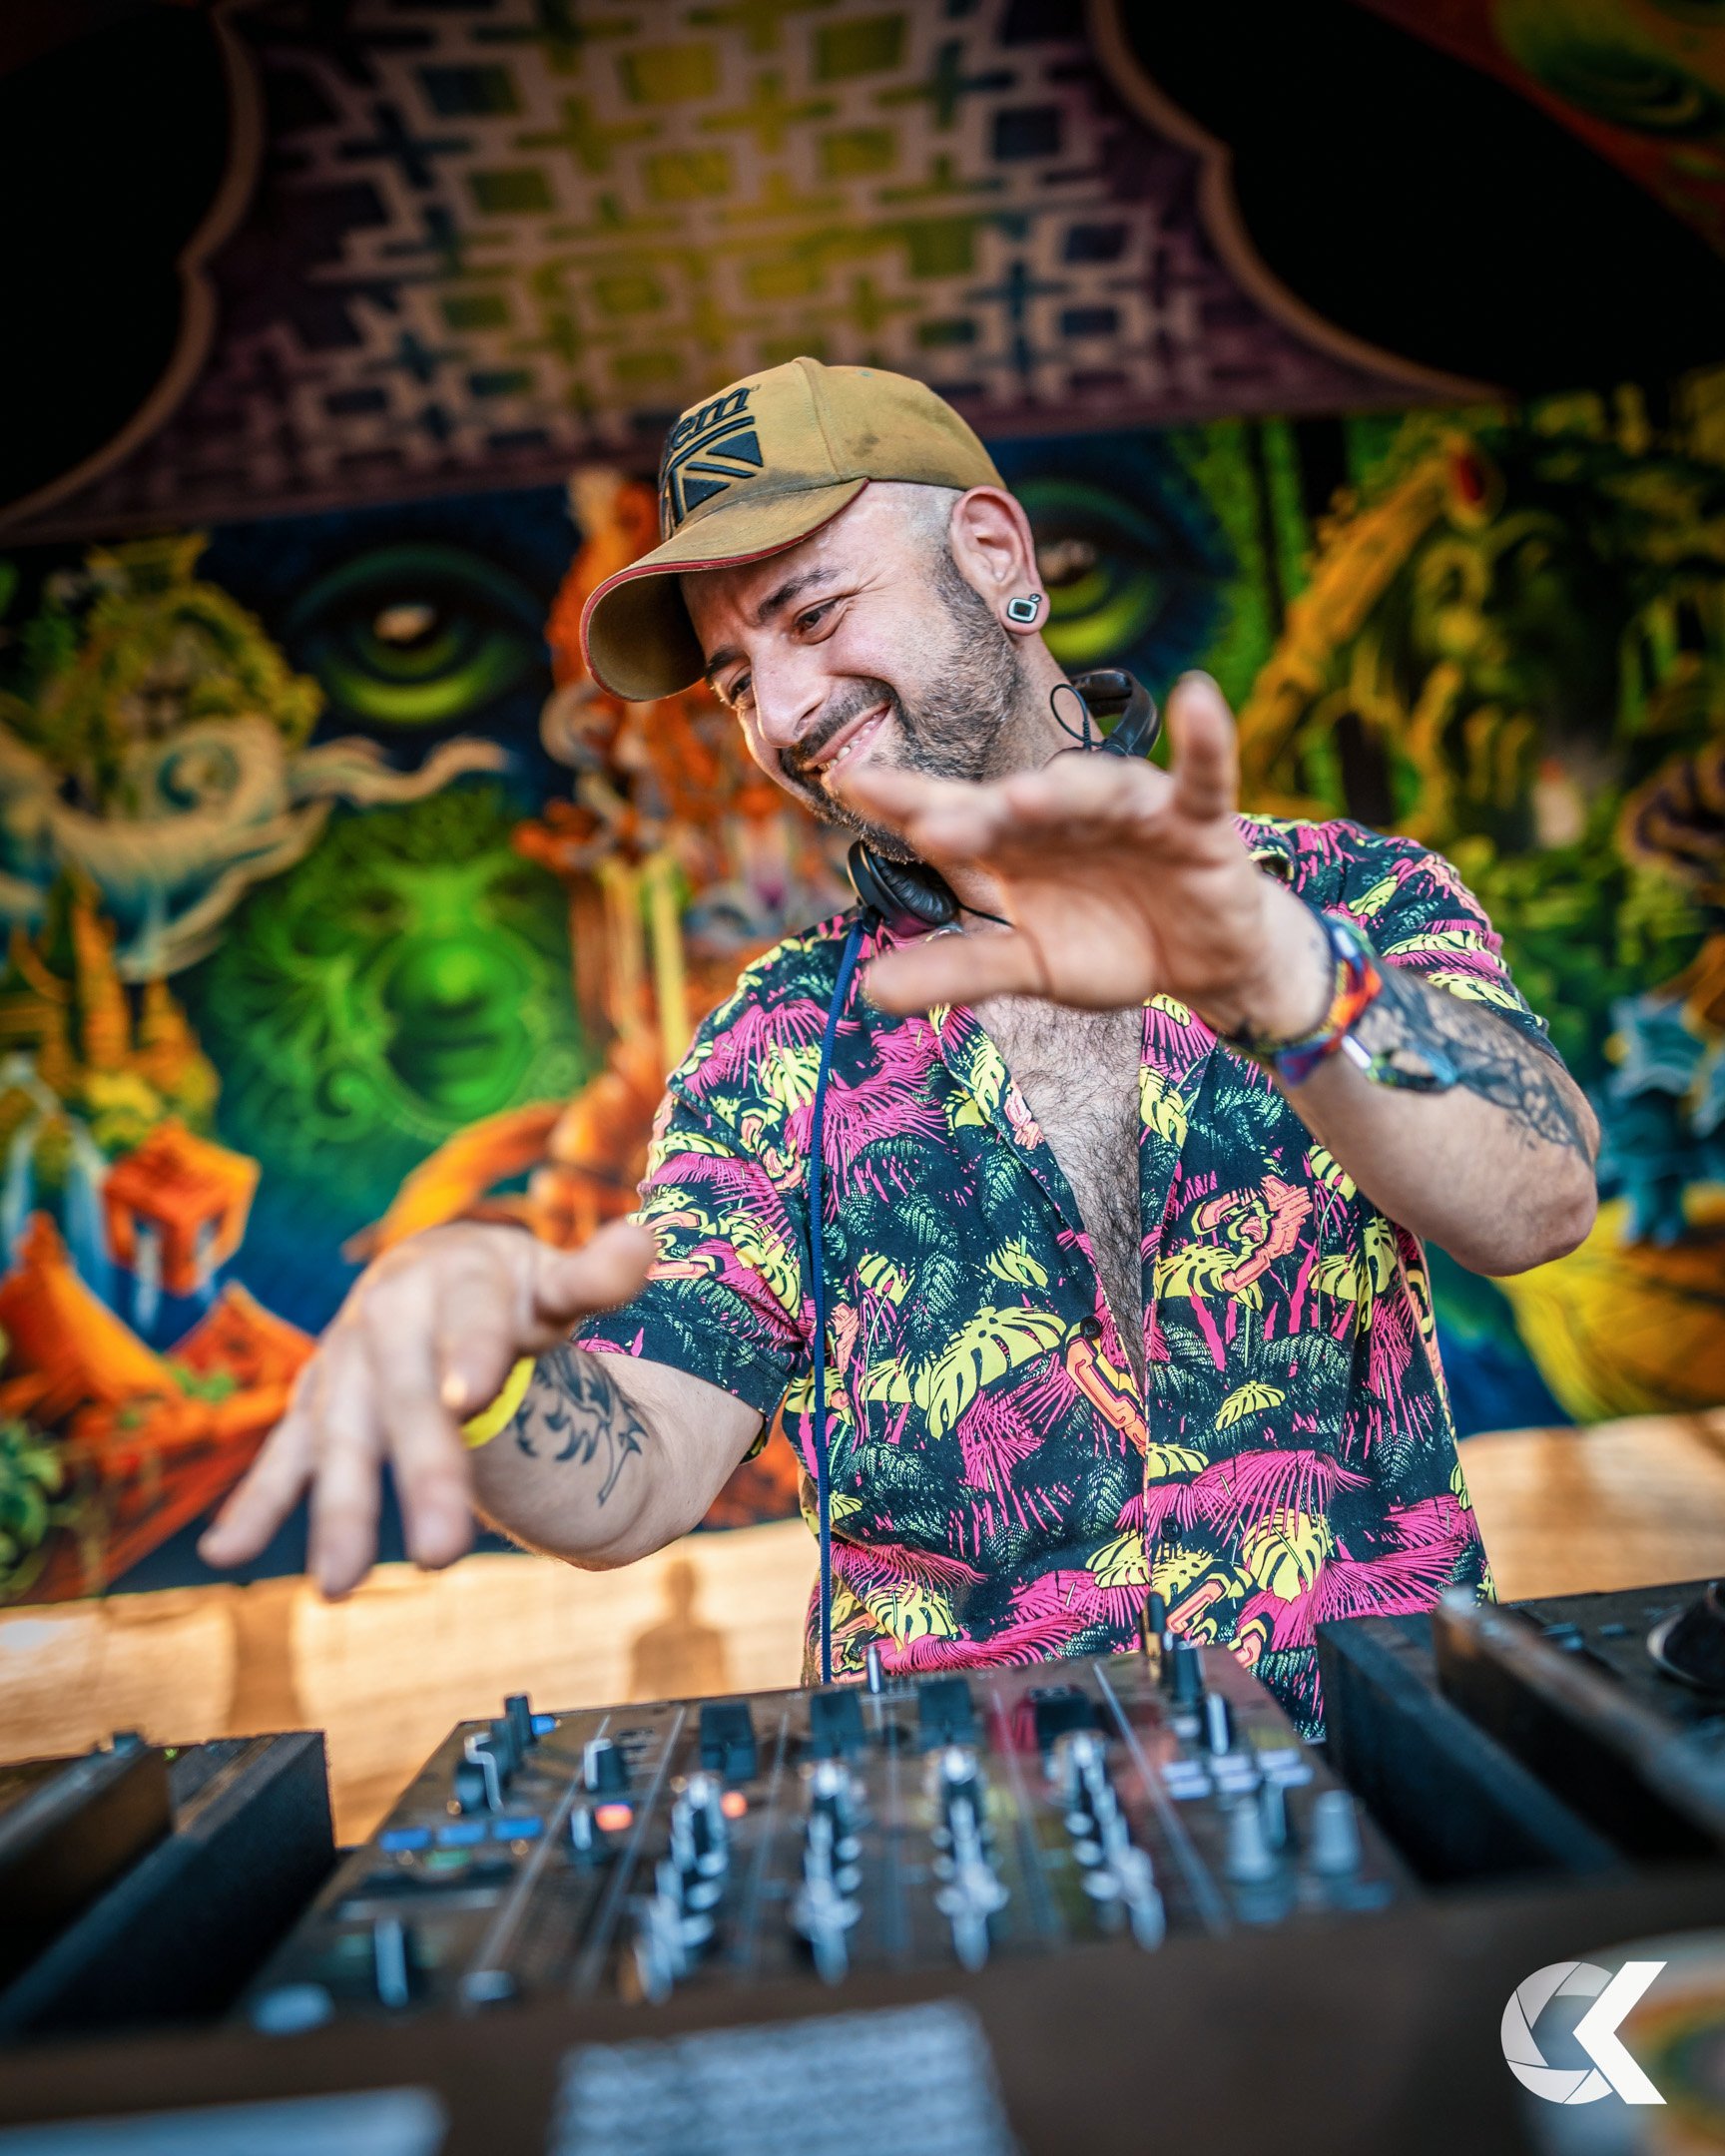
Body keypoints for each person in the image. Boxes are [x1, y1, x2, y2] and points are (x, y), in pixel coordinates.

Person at [201, 358, 1598, 1734]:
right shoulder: (777, 1050)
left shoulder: (1346, 901)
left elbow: (1537, 1199)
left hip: (1390, 1786)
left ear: (994, 552)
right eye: (738, 679)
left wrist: (1280, 975)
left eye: (814, 613)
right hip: (973, 1866)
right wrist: (487, 1355)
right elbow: (631, 1483)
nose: (788, 715)